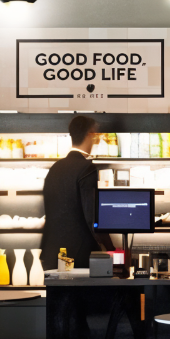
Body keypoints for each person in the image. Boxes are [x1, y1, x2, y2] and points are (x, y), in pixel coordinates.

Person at [40, 115, 103, 270]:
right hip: (78, 254)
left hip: (52, 252)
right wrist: (106, 244)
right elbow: (91, 215)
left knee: (59, 293)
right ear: (90, 133)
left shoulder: (55, 168)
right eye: (96, 134)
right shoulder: (86, 168)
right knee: (80, 293)